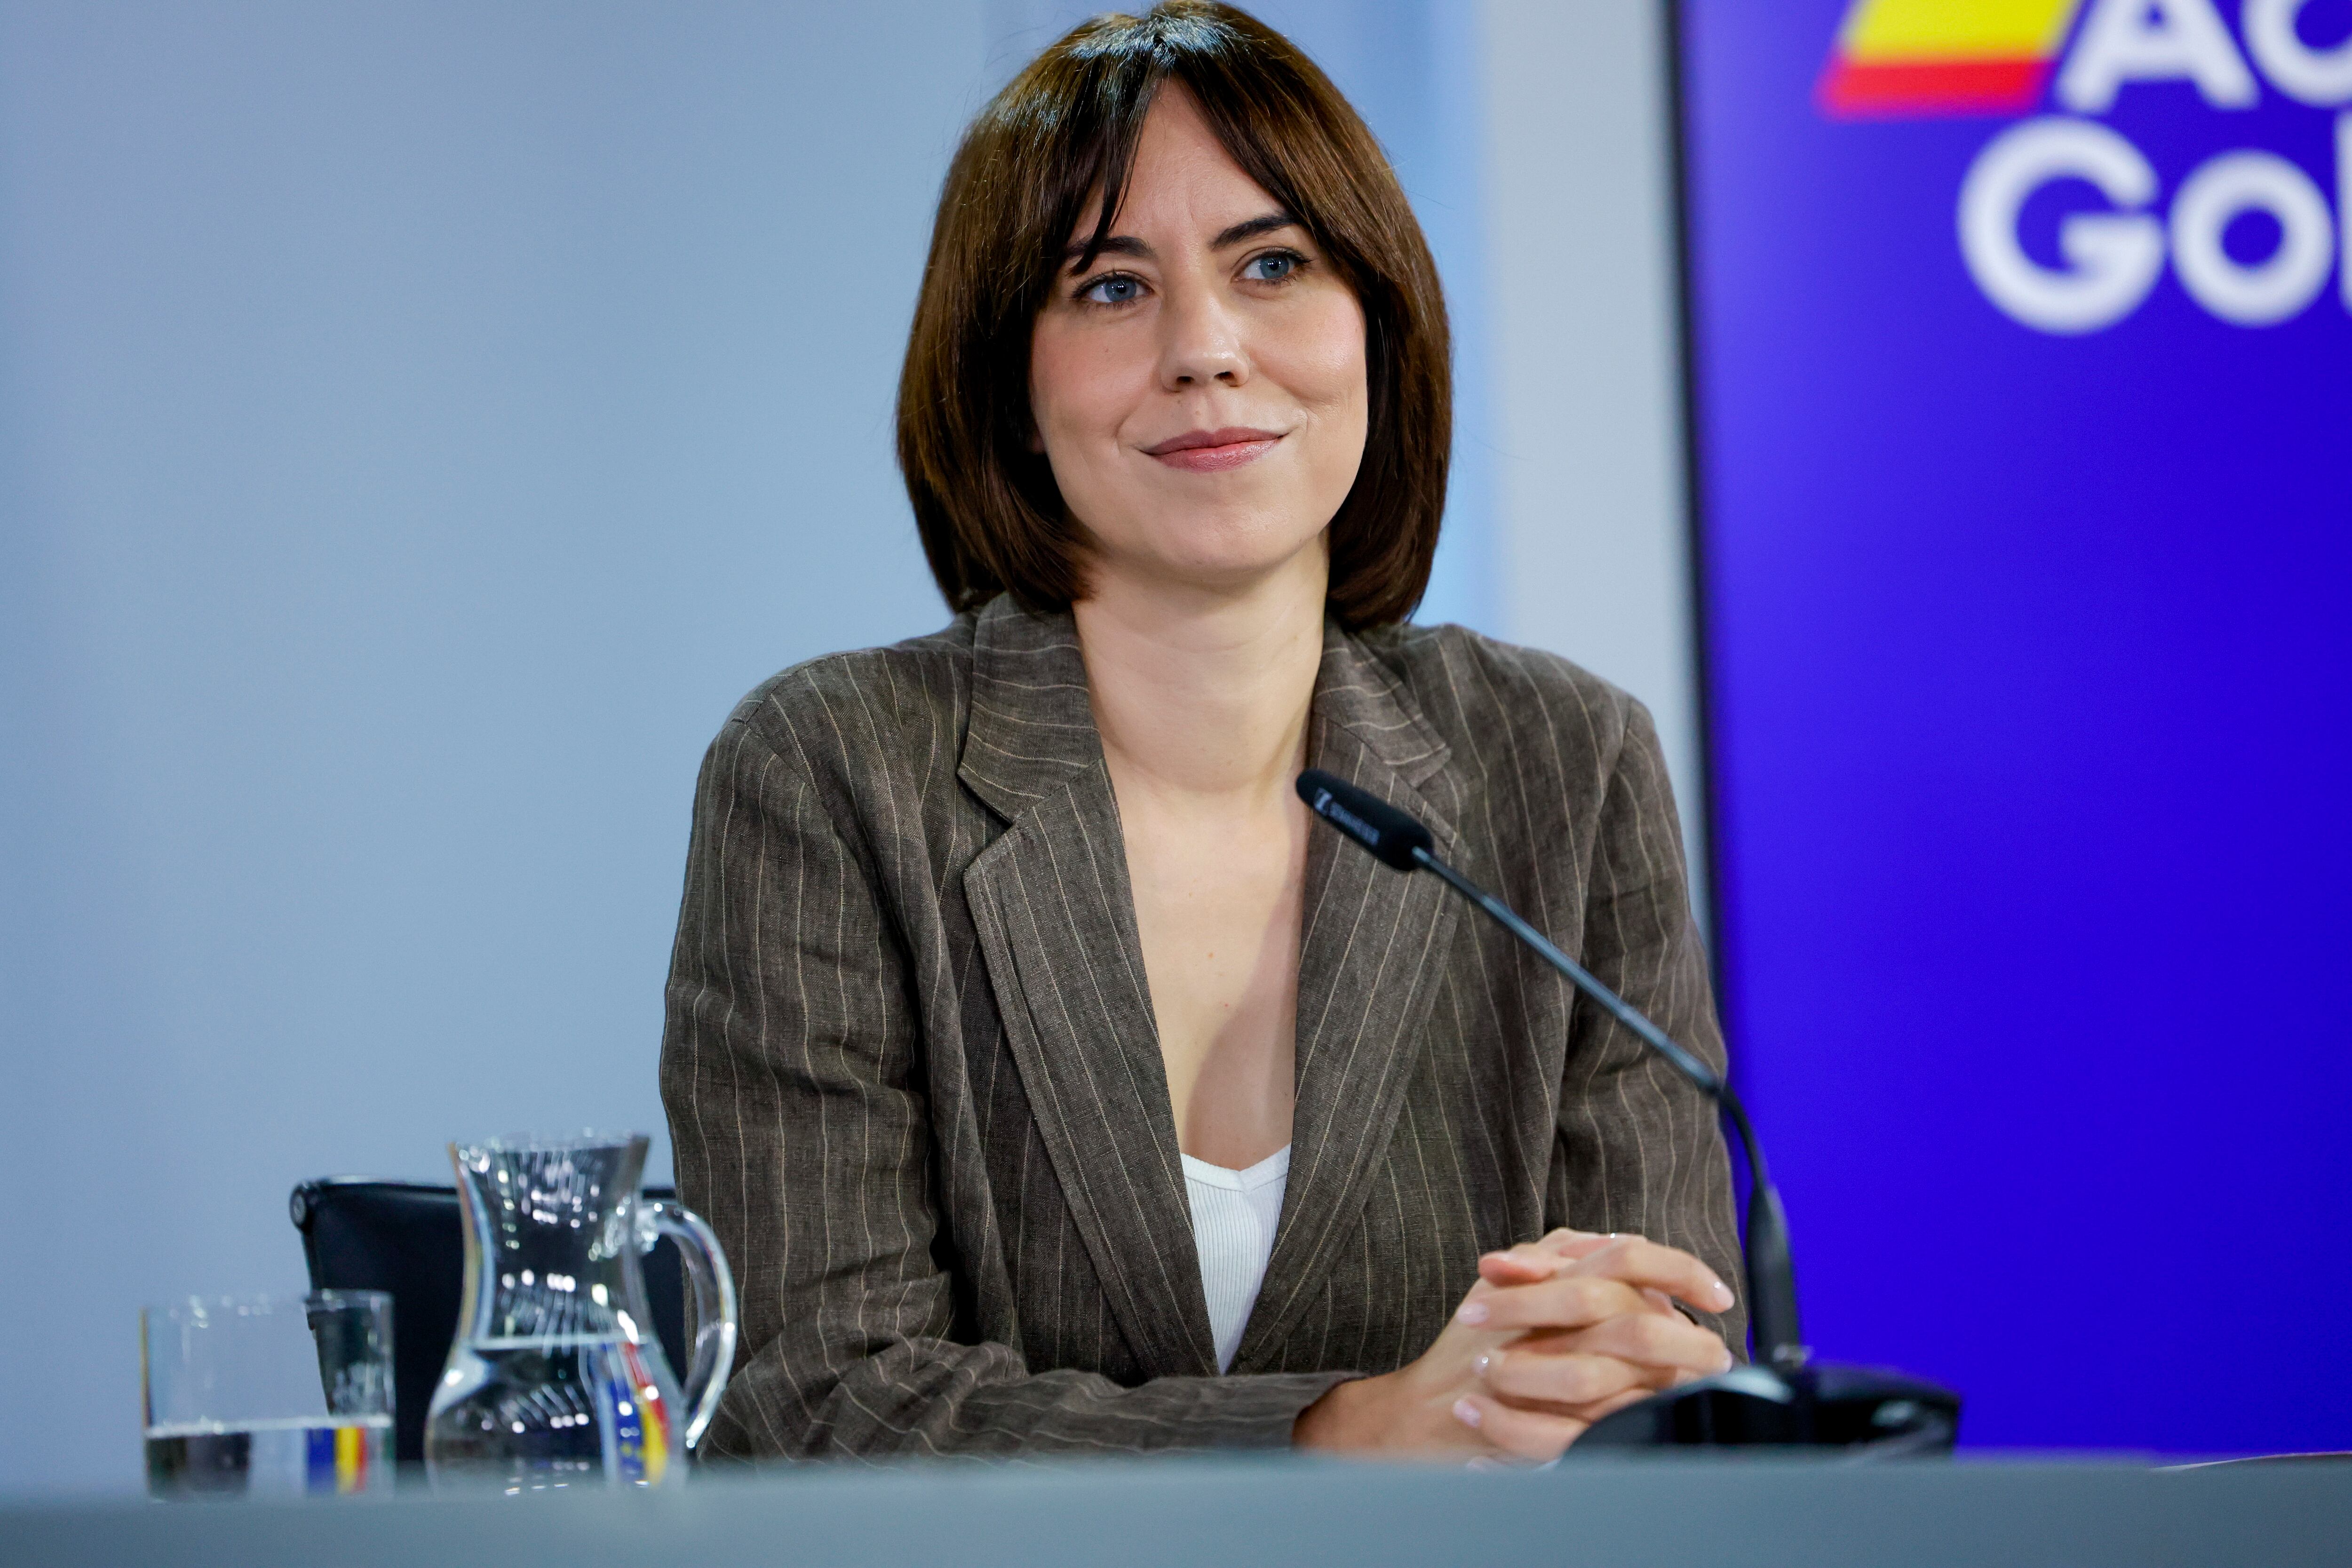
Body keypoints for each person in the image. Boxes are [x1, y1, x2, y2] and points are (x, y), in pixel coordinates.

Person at [660, 1, 1742, 1463]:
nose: (1208, 349)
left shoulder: (1567, 760)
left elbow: (1654, 1355)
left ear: (1378, 325)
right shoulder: (833, 773)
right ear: (1013, 388)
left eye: (1274, 264)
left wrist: (1602, 1371)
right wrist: (1340, 1439)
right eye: (1110, 288)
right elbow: (815, 1400)